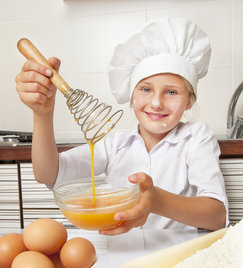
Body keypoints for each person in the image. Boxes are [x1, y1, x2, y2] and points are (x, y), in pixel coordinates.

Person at [15, 17, 228, 235]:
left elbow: (217, 216)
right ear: (130, 94)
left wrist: (156, 201)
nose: (156, 102)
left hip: (175, 261)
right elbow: (48, 174)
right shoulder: (115, 145)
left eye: (171, 92)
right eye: (145, 89)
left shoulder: (196, 138)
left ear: (189, 100)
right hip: (118, 260)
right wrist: (42, 114)